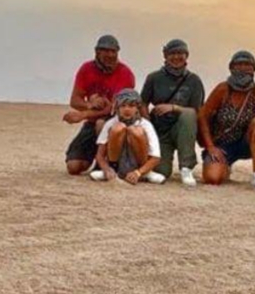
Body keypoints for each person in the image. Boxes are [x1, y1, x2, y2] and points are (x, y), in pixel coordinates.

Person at [198, 51, 255, 190]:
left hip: (247, 143)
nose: (243, 68)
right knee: (213, 178)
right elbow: (202, 115)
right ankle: (225, 167)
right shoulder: (223, 89)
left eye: (247, 64)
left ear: (254, 68)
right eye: (239, 64)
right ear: (231, 67)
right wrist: (210, 147)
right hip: (222, 145)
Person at [63, 34, 136, 175]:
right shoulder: (86, 69)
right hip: (91, 123)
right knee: (73, 167)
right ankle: (91, 156)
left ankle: (102, 162)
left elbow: (113, 108)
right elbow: (75, 100)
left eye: (113, 51)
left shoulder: (125, 73)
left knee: (101, 124)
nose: (110, 55)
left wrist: (82, 115)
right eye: (106, 51)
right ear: (97, 52)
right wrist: (90, 105)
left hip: (116, 123)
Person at [140, 38, 205, 186]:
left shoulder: (194, 80)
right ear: (165, 55)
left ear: (186, 56)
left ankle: (186, 168)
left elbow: (197, 111)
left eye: (180, 53)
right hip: (161, 129)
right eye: (172, 53)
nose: (176, 57)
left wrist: (174, 108)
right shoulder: (154, 78)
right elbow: (142, 103)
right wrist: (148, 124)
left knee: (188, 115)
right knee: (161, 172)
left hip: (183, 129)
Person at [89, 89, 165, 184]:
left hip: (139, 166)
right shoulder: (110, 123)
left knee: (136, 131)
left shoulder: (146, 125)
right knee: (118, 128)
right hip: (116, 163)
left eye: (131, 106)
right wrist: (106, 169)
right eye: (123, 106)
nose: (127, 109)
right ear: (117, 108)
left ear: (137, 108)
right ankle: (114, 170)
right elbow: (100, 155)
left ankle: (144, 173)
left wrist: (138, 172)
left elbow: (156, 157)